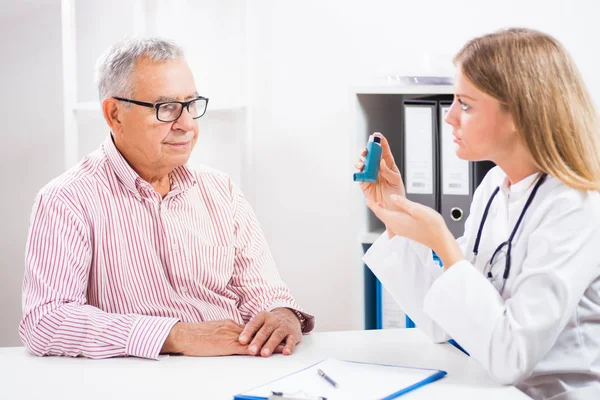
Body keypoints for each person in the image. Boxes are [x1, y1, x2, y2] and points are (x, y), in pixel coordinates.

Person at [20, 37, 314, 360]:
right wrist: (174, 335)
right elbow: (45, 321)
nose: (187, 124)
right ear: (115, 114)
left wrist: (283, 315)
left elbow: (267, 294)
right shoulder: (67, 200)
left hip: (239, 374)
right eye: (167, 108)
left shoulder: (222, 191)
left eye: (191, 104)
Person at [356, 28, 600, 399]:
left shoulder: (577, 207)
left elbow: (512, 356)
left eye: (465, 105)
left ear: (520, 112)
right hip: (492, 387)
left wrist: (442, 241)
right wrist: (393, 217)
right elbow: (443, 324)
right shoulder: (494, 186)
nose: (449, 117)